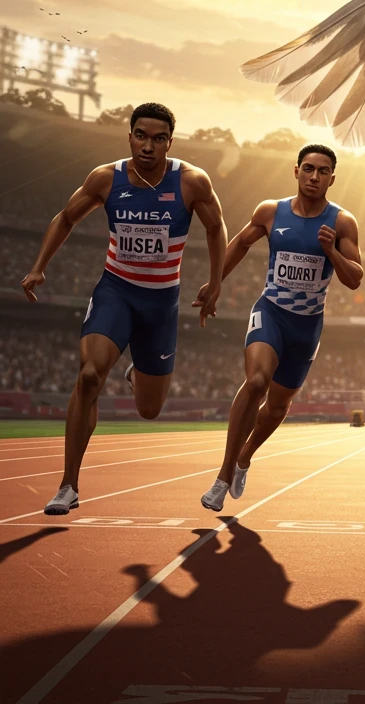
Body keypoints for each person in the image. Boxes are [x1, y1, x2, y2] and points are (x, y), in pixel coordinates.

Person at [22, 103, 226, 516]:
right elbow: (66, 218)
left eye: (158, 138)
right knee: (89, 375)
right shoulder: (105, 178)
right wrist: (39, 267)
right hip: (116, 291)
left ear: (171, 141)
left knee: (149, 411)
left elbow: (216, 226)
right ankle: (69, 485)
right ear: (129, 135)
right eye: (140, 135)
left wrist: (216, 282)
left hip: (161, 303)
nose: (148, 145)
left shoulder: (191, 182)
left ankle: (137, 370)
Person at [199, 144, 362, 511]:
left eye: (322, 171)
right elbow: (239, 243)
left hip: (307, 327)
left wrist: (332, 251)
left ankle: (244, 457)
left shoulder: (341, 222)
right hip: (271, 312)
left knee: (276, 407)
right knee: (256, 382)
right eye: (308, 168)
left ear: (332, 178)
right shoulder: (271, 211)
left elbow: (354, 279)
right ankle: (223, 476)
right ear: (296, 171)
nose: (314, 176)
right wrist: (215, 283)